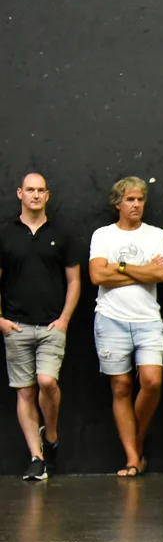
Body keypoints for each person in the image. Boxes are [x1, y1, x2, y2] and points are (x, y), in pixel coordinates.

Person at [0, 173, 80, 481]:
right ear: (19, 193)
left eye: (41, 190)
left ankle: (51, 435)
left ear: (47, 195)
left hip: (51, 327)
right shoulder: (6, 233)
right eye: (30, 190)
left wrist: (64, 320)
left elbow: (74, 281)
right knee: (24, 392)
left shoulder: (62, 233)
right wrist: (2, 321)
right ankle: (37, 458)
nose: (35, 195)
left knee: (47, 382)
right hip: (16, 326)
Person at [88, 176, 163, 476]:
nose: (136, 205)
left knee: (152, 382)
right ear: (117, 204)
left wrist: (119, 267)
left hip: (148, 320)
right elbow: (97, 276)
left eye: (140, 199)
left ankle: (136, 437)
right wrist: (141, 271)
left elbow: (161, 275)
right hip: (110, 319)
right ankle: (133, 458)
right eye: (130, 200)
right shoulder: (103, 235)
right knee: (120, 387)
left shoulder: (157, 235)